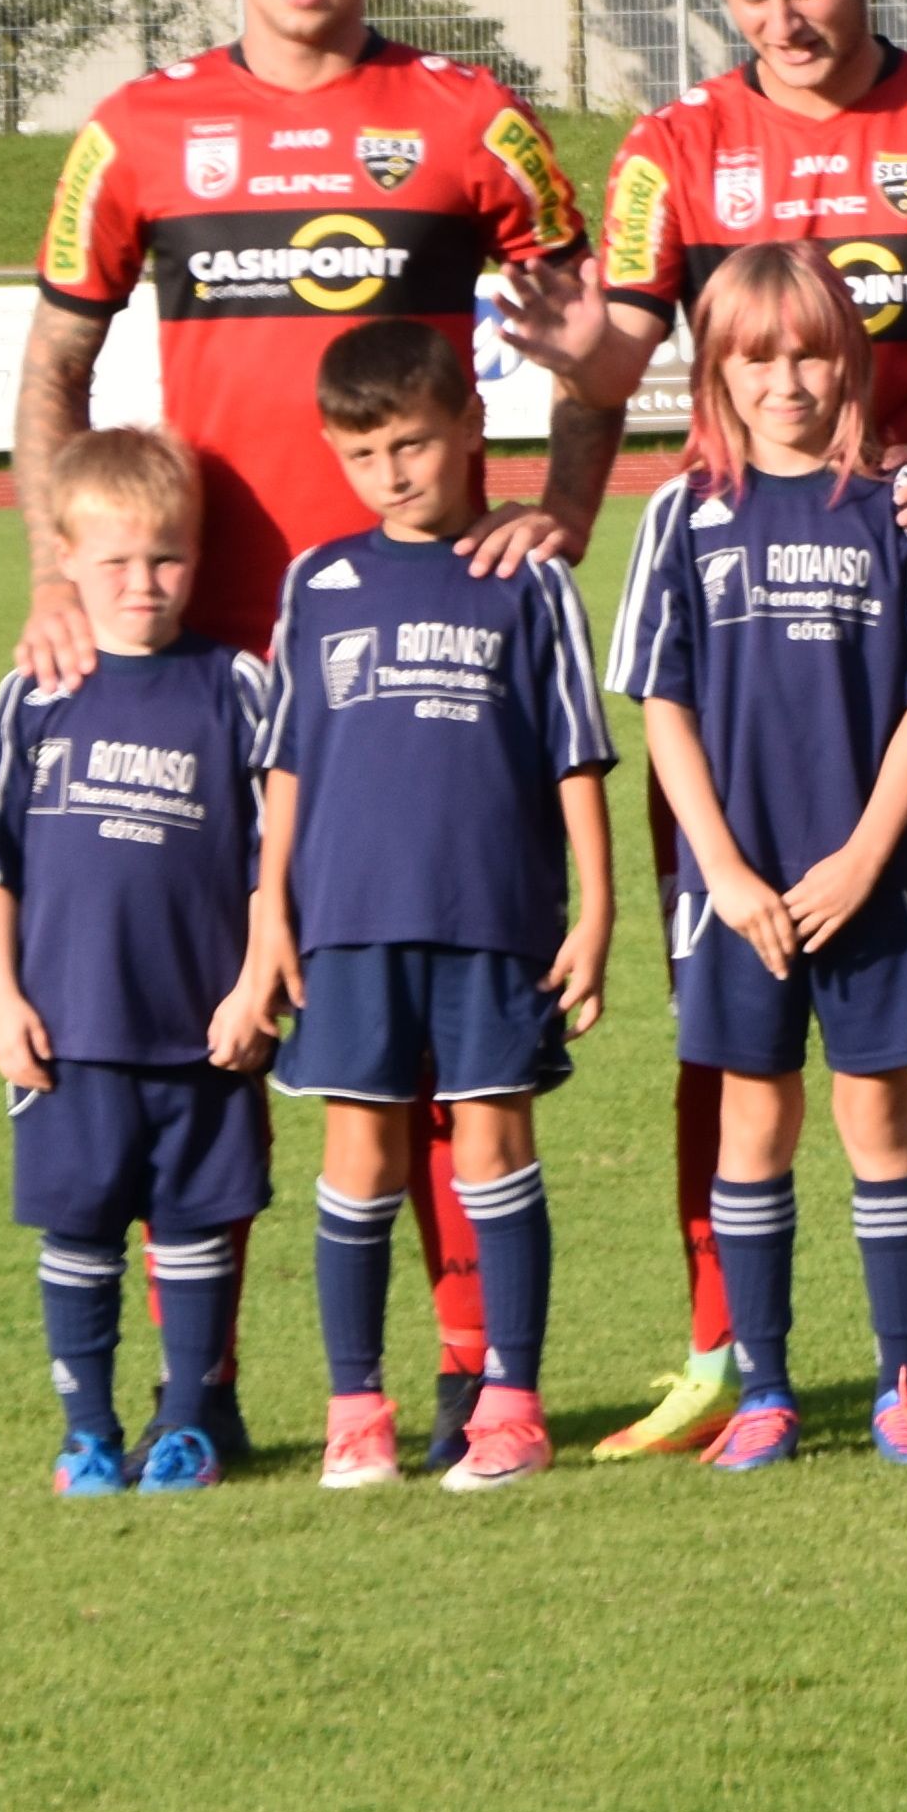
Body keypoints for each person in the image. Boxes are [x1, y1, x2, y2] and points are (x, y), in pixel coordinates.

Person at [14, 0, 602, 1471]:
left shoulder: (470, 120)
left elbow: (590, 334)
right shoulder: (137, 132)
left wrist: (560, 503)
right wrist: (59, 574)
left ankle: (471, 1373)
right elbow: (56, 366)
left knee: (444, 1033)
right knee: (197, 1030)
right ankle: (197, 1387)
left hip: (415, 659)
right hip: (202, 662)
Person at [508, 0, 907, 1458]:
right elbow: (620, 361)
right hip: (746, 672)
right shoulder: (673, 150)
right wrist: (577, 406)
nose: (786, 24)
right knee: (732, 998)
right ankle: (723, 1355)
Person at [603, 243, 907, 1471]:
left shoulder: (897, 503)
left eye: (812, 354)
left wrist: (867, 855)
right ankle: (765, 1387)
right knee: (753, 1120)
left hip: (866, 882)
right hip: (740, 891)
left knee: (879, 1111)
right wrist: (719, 870)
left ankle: (901, 1381)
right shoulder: (682, 514)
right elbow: (660, 702)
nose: (787, 381)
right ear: (714, 372)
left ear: (851, 363)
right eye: (757, 359)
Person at [212, 322, 614, 1492]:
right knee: (359, 1154)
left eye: (414, 444)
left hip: (495, 915)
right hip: (346, 919)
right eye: (363, 453)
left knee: (492, 1144)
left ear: (471, 426)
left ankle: (512, 1403)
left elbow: (575, 756)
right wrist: (268, 917)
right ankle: (357, 1409)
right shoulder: (318, 581)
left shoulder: (529, 579)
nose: (391, 473)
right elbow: (287, 764)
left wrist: (595, 910)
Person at [0, 428, 273, 1497]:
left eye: (168, 556)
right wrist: (2, 1000)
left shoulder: (235, 685)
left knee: (194, 1231)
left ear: (197, 555)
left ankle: (183, 1427)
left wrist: (254, 984)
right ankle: (87, 1432)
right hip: (68, 1027)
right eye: (117, 560)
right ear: (66, 559)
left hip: (201, 1027)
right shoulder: (33, 694)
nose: (144, 581)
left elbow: (272, 861)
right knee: (80, 1231)